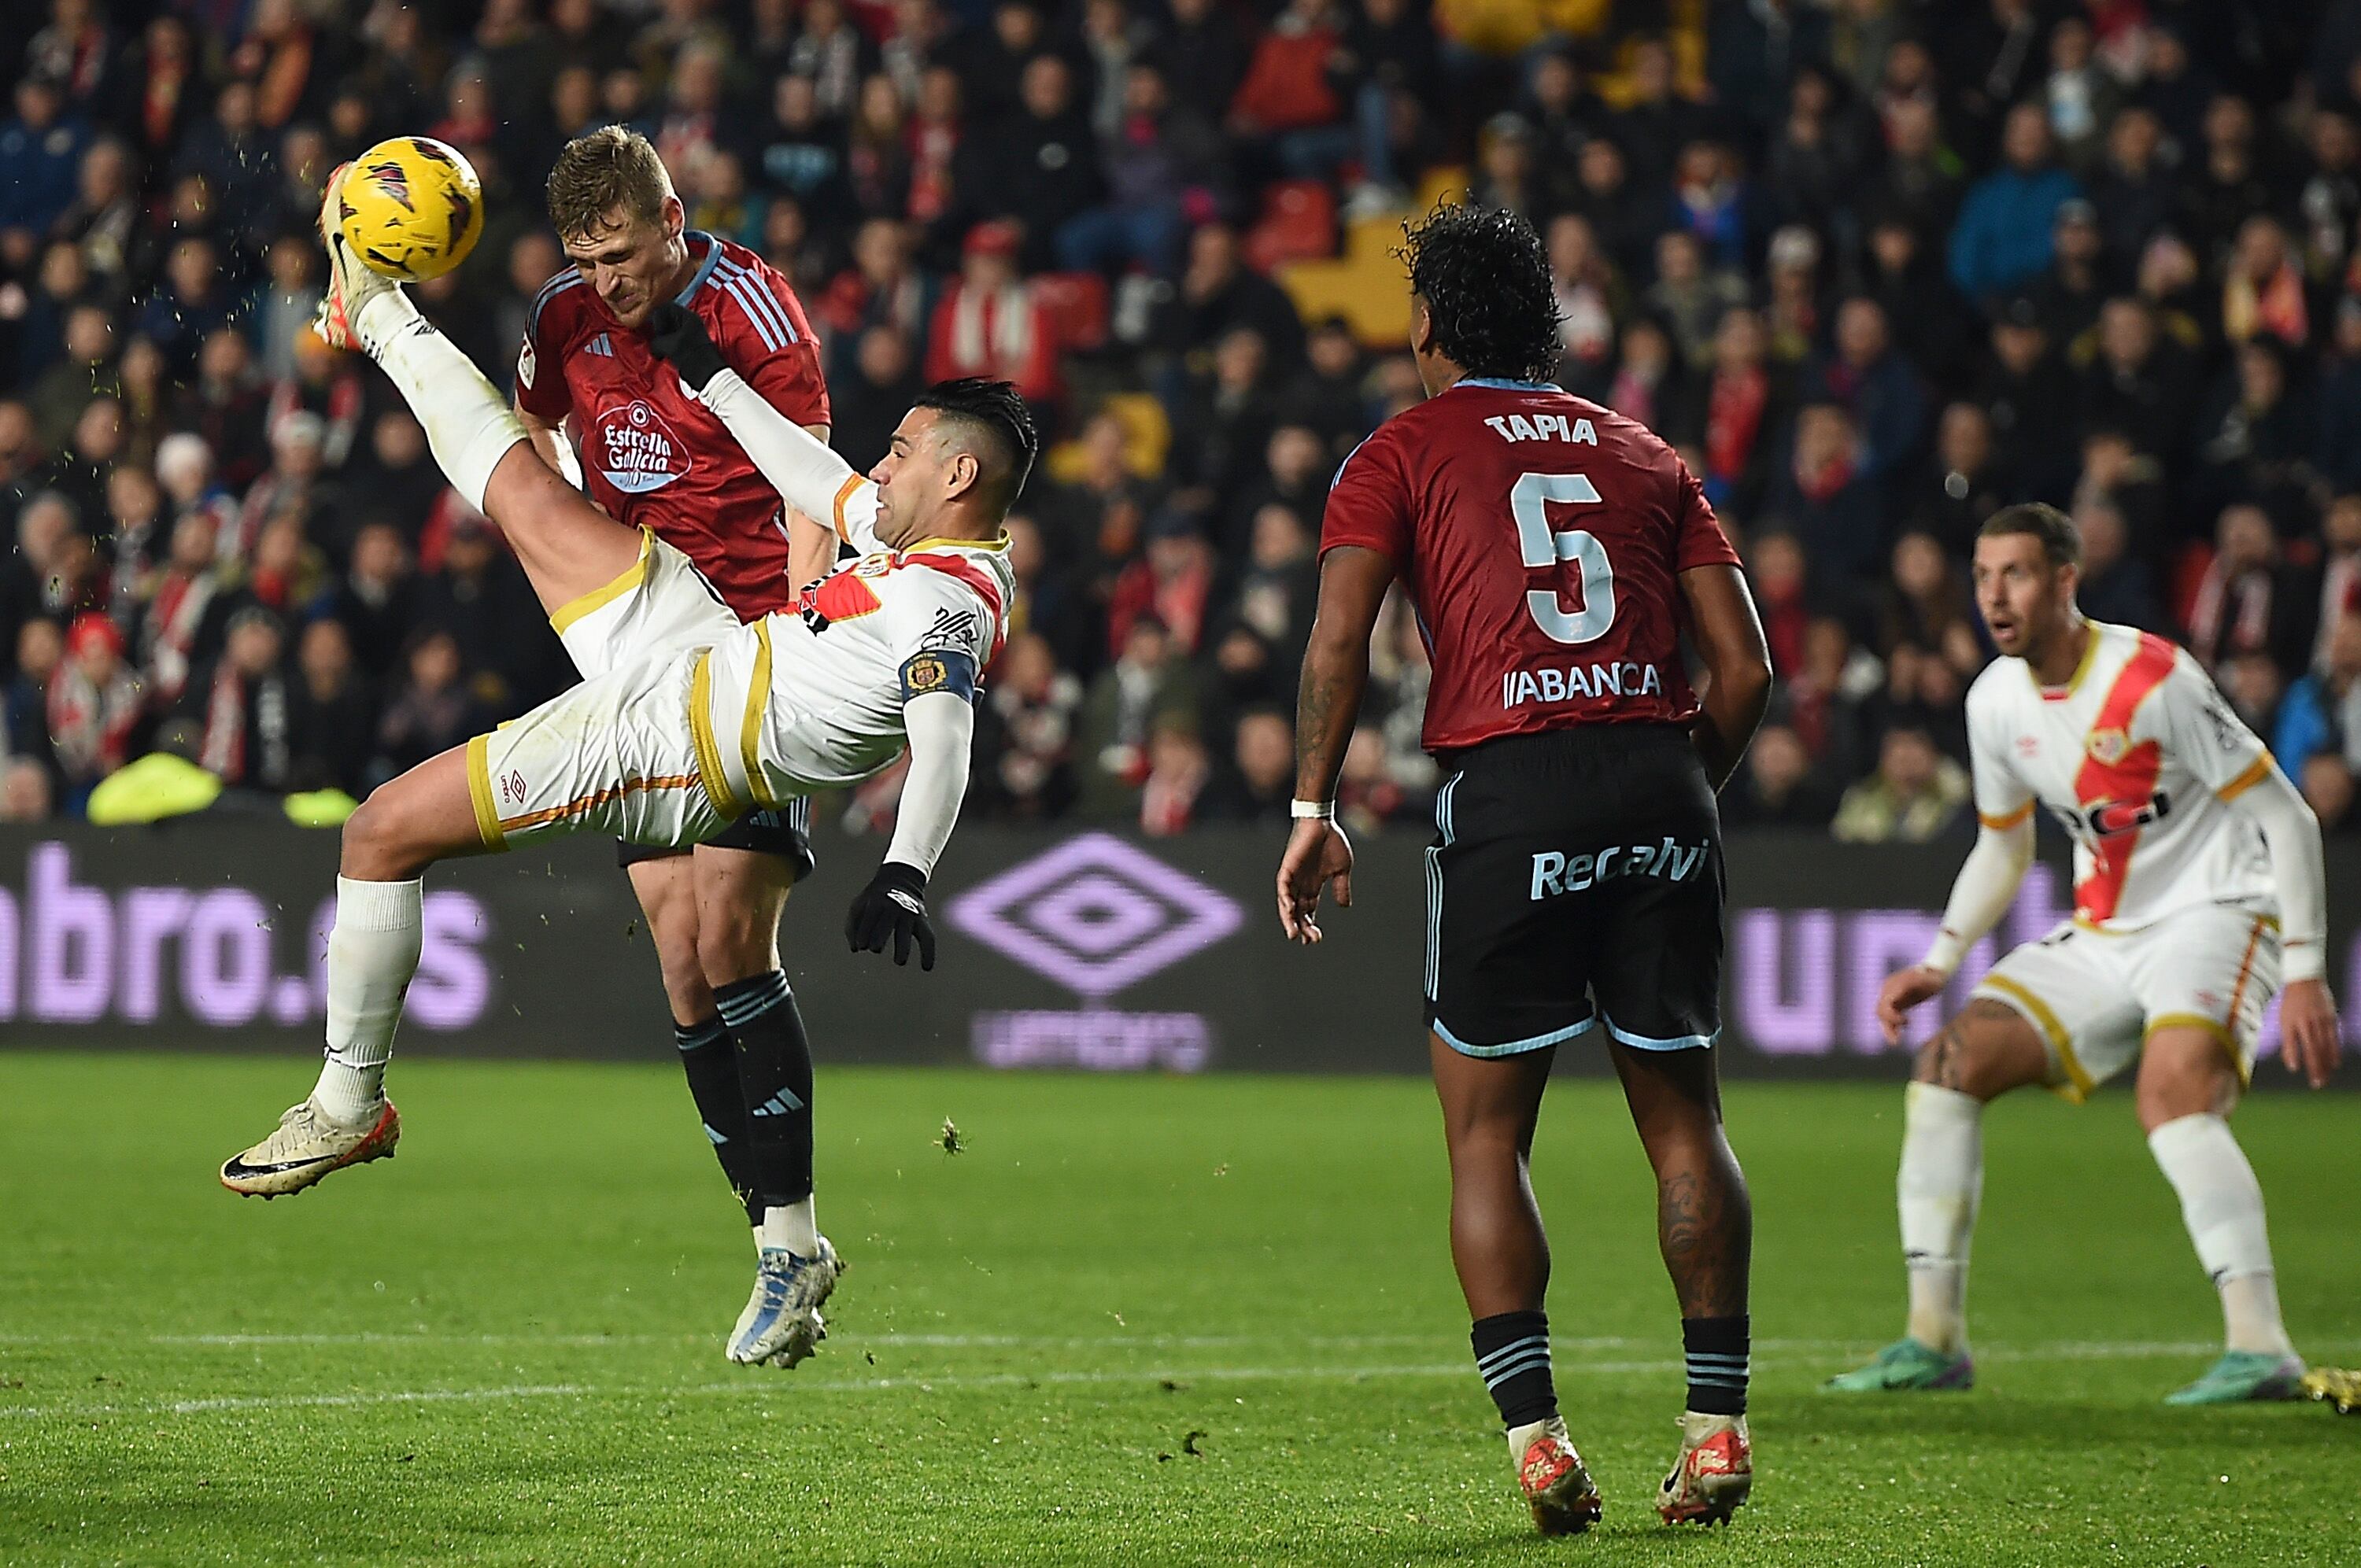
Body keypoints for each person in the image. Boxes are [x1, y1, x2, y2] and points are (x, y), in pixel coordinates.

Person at [217, 186, 1031, 1385]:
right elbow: (812, 476)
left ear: (957, 473)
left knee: (384, 832)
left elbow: (947, 729)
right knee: (528, 494)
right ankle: (375, 305)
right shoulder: (921, 539)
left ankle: (352, 1104)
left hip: (674, 740)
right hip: (699, 644)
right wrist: (710, 375)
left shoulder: (944, 602)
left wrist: (907, 870)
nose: (882, 460)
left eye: (904, 449)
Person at [1274, 203, 1773, 1535]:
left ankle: (1544, 1447)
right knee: (1685, 1119)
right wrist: (1669, 799)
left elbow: (1337, 641)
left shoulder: (1400, 448)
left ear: (1427, 323)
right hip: (1658, 779)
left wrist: (1311, 803)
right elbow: (1748, 670)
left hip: (1512, 786)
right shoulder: (1648, 452)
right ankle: (1715, 1430)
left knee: (1488, 1132)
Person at [1829, 504, 2341, 1405]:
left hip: (2218, 911)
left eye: (2016, 573)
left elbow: (2285, 816)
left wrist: (2304, 968)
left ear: (2066, 580)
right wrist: (1942, 960)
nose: (1994, 594)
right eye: (1983, 575)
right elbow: (2003, 846)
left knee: (2173, 1096)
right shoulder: (1994, 699)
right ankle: (1932, 1337)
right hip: (2107, 932)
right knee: (1947, 1061)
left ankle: (2262, 1347)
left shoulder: (2153, 679)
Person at [512, 125, 844, 1367]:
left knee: (725, 936)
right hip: (641, 653)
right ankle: (775, 1239)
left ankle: (793, 1237)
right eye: (585, 260)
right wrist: (581, 570)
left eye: (622, 254)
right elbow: (530, 425)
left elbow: (813, 484)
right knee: (678, 967)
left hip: (751, 647)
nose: (607, 282)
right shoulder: (561, 319)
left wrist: (799, 642)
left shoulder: (752, 312)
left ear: (671, 216)